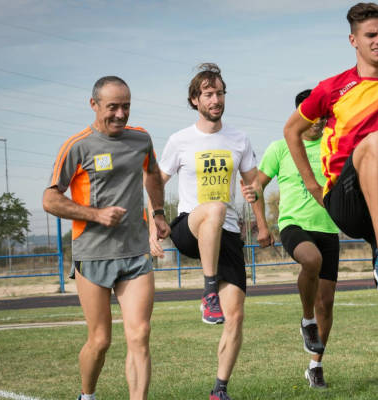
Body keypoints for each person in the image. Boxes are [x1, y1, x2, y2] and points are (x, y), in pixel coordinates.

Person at [283, 4, 378, 399]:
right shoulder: (332, 88)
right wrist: (311, 184)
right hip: (345, 197)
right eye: (371, 35)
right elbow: (292, 130)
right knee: (376, 140)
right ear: (353, 40)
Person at [42, 76, 169, 400]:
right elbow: (50, 198)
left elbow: (152, 173)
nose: (120, 114)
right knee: (100, 341)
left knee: (140, 334)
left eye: (126, 106)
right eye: (113, 106)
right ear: (94, 105)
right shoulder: (78, 145)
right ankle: (87, 394)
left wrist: (157, 212)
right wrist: (95, 214)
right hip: (92, 254)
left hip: (134, 253)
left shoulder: (140, 140)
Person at [148, 63, 262, 400]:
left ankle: (219, 390)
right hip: (190, 228)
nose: (215, 99)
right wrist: (152, 223)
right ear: (195, 100)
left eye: (219, 93)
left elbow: (252, 182)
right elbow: (154, 180)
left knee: (236, 317)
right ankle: (208, 291)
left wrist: (261, 216)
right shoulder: (180, 140)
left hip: (226, 235)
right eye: (208, 94)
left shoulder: (239, 139)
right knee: (212, 207)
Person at [255, 89, 341, 389]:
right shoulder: (280, 148)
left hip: (329, 228)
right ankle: (307, 320)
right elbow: (257, 186)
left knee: (327, 304)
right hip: (294, 225)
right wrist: (262, 225)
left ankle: (315, 366)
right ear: (300, 115)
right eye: (313, 115)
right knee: (311, 259)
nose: (319, 121)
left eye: (324, 116)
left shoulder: (333, 145)